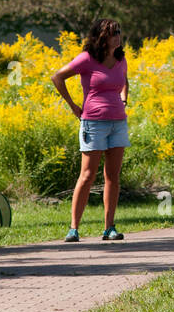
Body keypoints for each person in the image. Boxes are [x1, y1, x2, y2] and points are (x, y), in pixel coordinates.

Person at [52, 17, 129, 242]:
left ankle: (109, 228)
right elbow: (57, 77)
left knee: (112, 177)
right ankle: (73, 229)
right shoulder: (87, 59)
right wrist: (74, 106)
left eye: (119, 31)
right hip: (93, 123)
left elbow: (124, 80)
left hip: (118, 123)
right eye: (113, 32)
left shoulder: (120, 59)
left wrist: (124, 99)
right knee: (87, 175)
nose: (118, 36)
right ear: (102, 36)